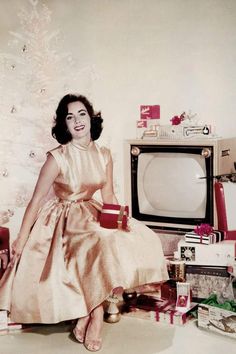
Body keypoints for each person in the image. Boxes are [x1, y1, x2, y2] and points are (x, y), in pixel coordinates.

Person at [0, 94, 168, 352]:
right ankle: (97, 316)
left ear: (91, 118)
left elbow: (109, 195)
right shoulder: (57, 157)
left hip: (92, 211)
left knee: (124, 237)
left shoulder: (104, 155)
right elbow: (35, 201)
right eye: (70, 116)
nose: (77, 120)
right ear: (64, 125)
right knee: (98, 241)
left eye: (81, 114)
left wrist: (122, 220)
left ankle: (87, 314)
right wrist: (21, 239)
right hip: (62, 218)